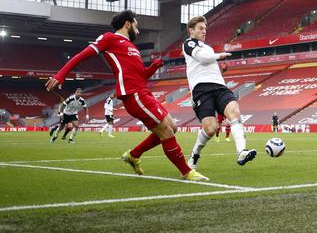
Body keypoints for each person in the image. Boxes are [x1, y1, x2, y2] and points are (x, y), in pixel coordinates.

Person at [45, 10, 207, 181]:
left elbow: (141, 76)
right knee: (166, 131)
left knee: (172, 127)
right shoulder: (109, 38)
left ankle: (134, 155)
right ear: (128, 24)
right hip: (133, 95)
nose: (138, 31)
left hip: (144, 92)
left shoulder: (132, 47)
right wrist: (60, 75)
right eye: (136, 26)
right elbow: (82, 55)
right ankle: (187, 172)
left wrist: (154, 67)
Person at [182, 16, 256, 170]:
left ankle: (241, 151)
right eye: (200, 28)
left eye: (205, 28)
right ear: (191, 30)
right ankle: (195, 155)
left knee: (234, 111)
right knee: (211, 128)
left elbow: (208, 63)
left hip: (219, 86)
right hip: (201, 89)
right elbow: (202, 58)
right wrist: (219, 56)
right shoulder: (189, 43)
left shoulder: (208, 47)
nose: (204, 31)